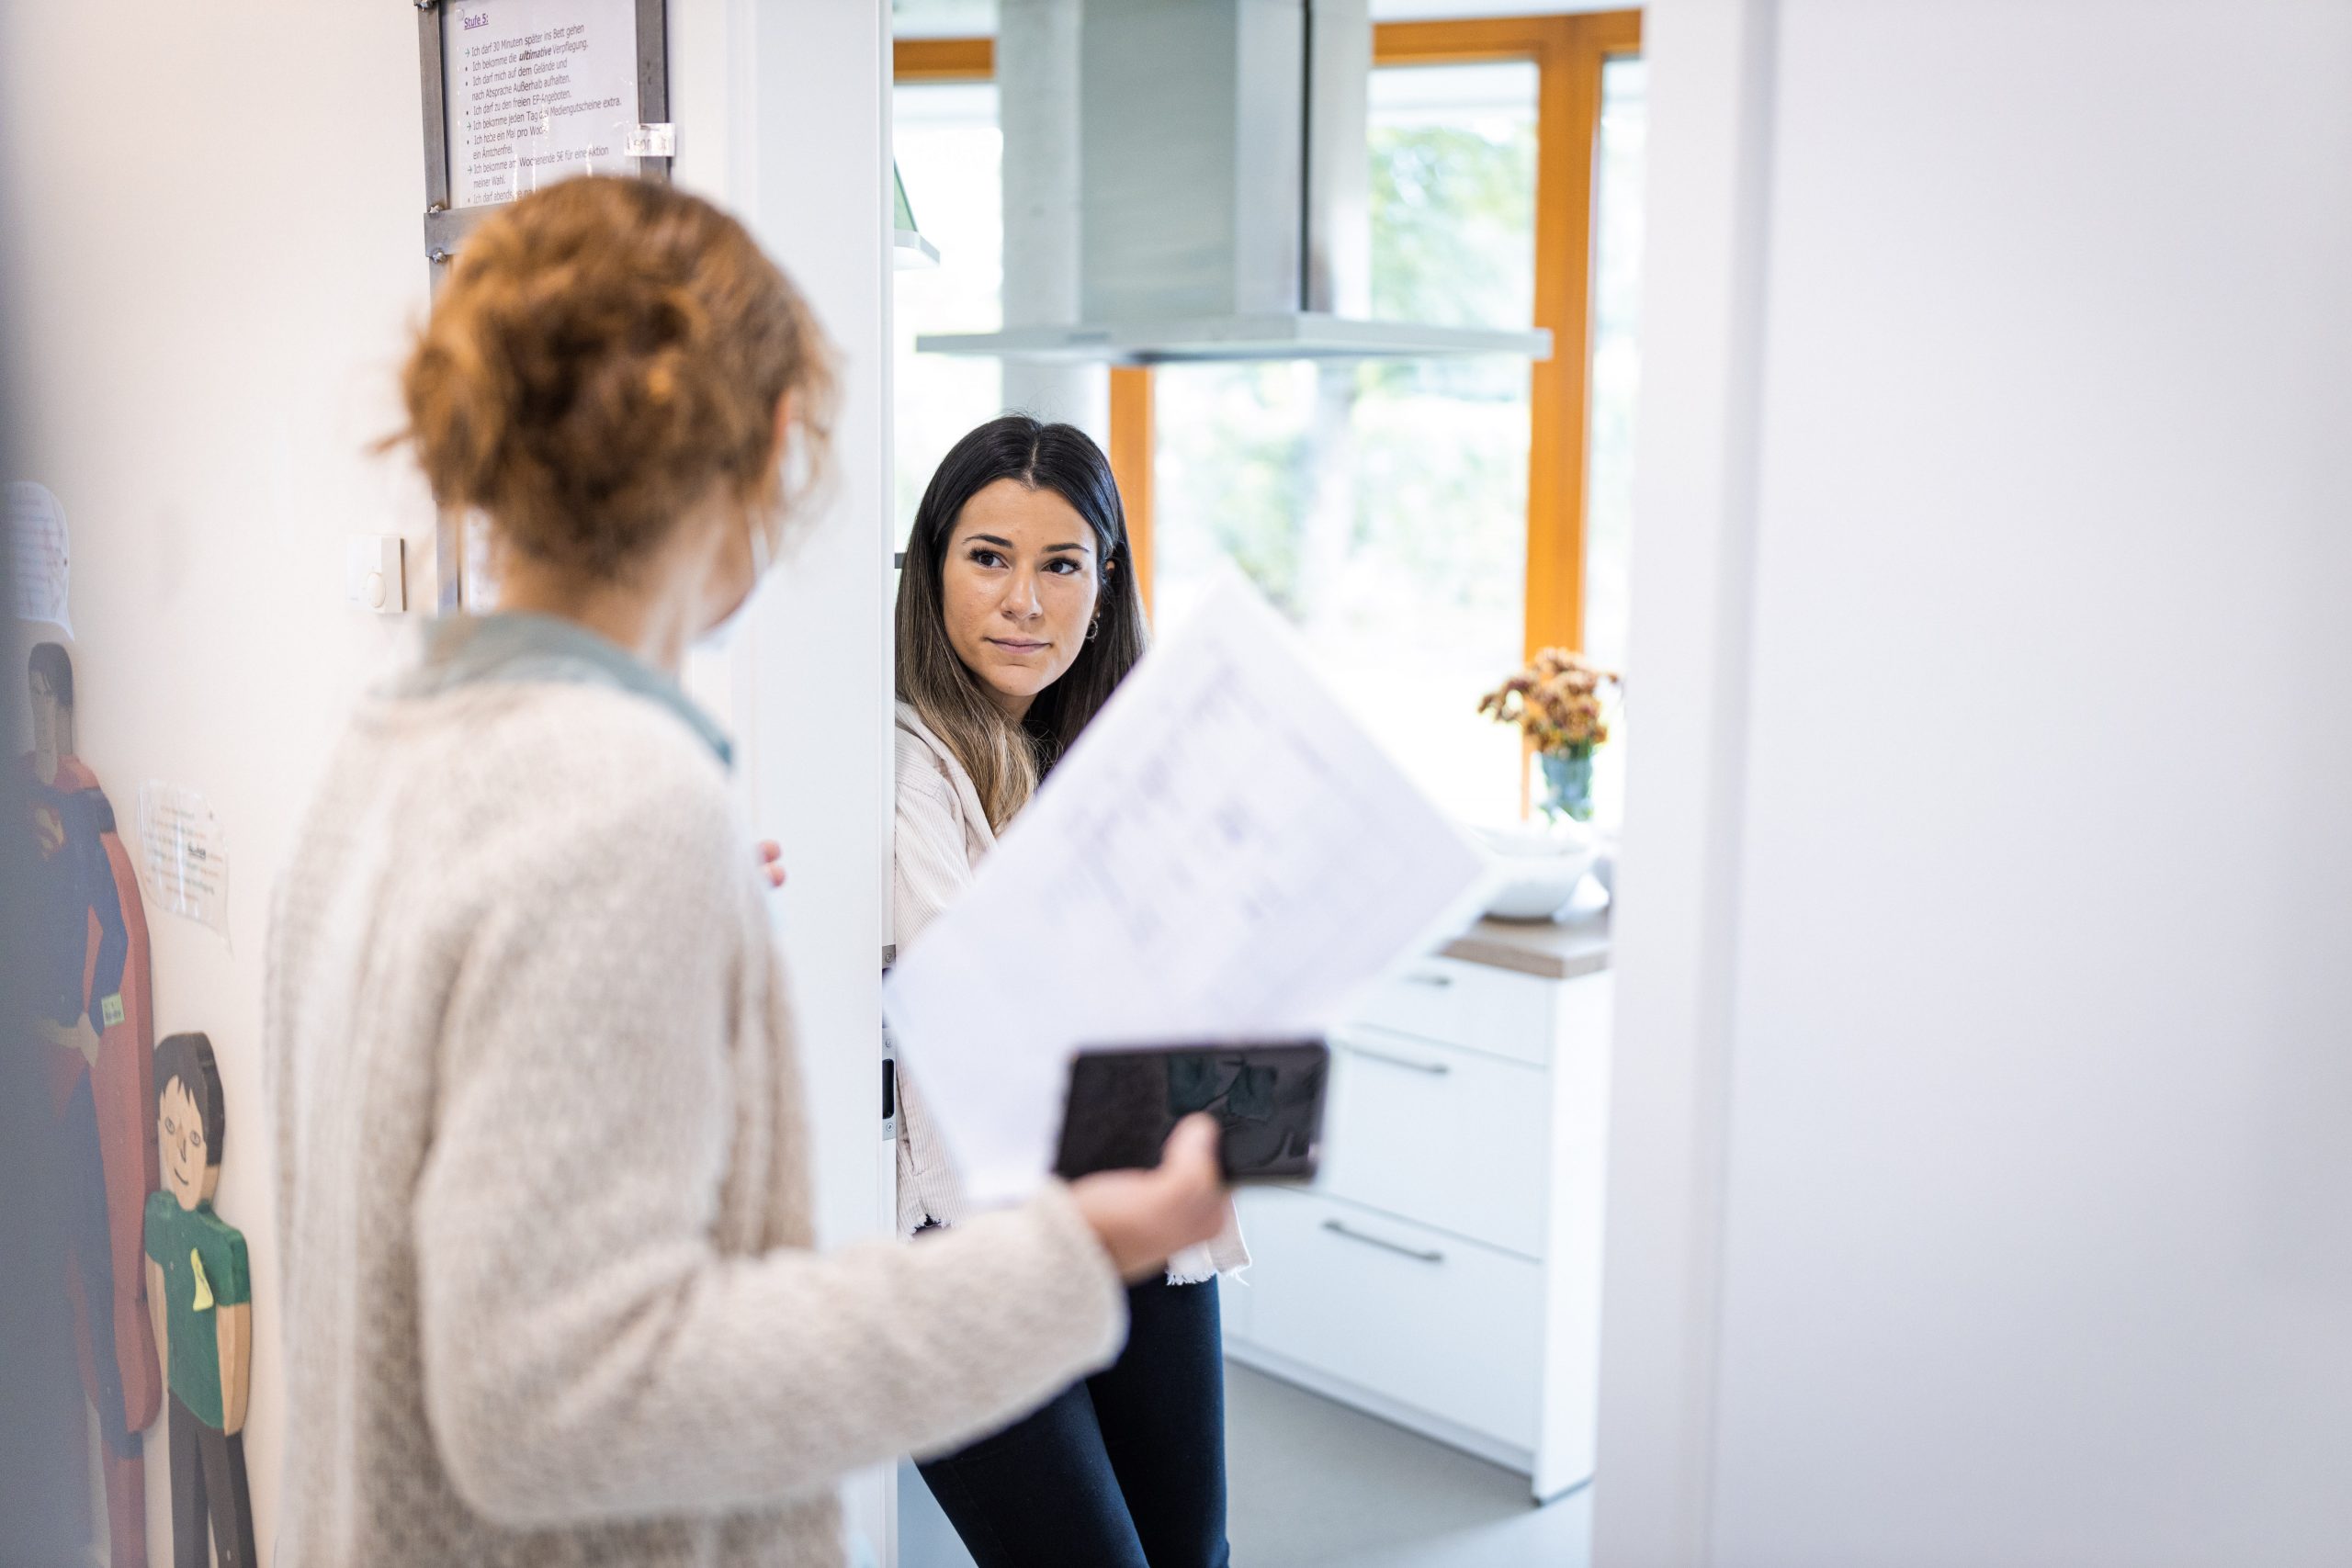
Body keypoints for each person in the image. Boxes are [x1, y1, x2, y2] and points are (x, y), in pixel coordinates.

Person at [261, 176, 1228, 1567]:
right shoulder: (621, 796)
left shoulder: (391, 747)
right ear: (775, 445)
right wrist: (1069, 1254)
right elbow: (556, 1401)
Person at [894, 415, 1247, 1568]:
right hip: (968, 1244)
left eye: (1061, 565)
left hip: (1131, 1194)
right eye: (988, 557)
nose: (1025, 603)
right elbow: (974, 983)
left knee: (1191, 1556)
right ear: (932, 564)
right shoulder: (903, 756)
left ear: (1105, 585)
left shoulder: (1109, 758)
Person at [143, 1032, 256, 1568]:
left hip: (215, 1407)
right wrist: (169, 1361)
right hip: (183, 1385)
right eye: (169, 1131)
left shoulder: (220, 1244)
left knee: (230, 1533)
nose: (180, 1153)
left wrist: (229, 1412)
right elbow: (156, 1286)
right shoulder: (161, 1218)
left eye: (192, 1136)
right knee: (184, 1524)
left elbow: (232, 1327)